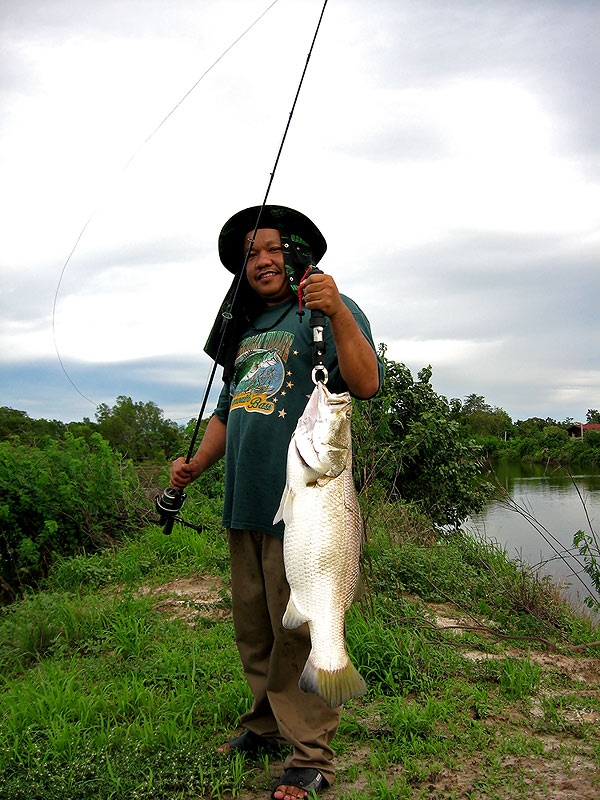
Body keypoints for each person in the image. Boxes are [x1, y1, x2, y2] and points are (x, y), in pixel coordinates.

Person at [170, 205, 383, 800]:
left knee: (300, 630)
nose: (260, 260)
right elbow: (226, 411)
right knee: (256, 630)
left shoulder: (319, 309)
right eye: (248, 254)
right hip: (244, 503)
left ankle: (311, 755)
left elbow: (363, 383)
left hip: (306, 513)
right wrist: (196, 465)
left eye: (270, 248)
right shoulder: (246, 326)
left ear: (296, 253)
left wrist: (337, 308)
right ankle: (264, 725)